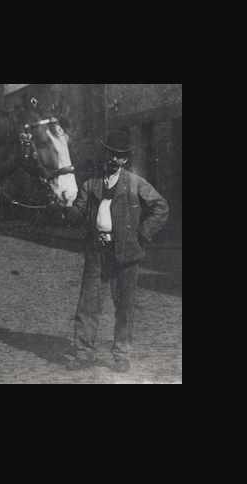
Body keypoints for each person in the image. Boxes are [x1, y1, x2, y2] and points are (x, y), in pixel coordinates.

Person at [62, 130, 169, 373]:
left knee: (124, 307)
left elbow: (160, 207)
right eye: (111, 153)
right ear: (105, 153)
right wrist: (65, 206)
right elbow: (77, 215)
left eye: (120, 156)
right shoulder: (90, 185)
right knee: (88, 305)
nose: (114, 159)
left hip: (126, 255)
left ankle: (121, 355)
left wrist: (141, 234)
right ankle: (84, 353)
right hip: (97, 253)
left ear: (125, 159)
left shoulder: (135, 183)